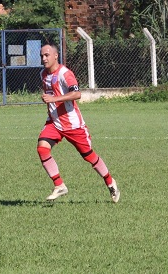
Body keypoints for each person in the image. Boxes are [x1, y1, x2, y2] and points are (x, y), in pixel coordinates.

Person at [37, 44, 120, 203]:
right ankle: (59, 185)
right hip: (54, 122)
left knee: (89, 156)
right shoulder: (43, 74)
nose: (44, 58)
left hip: (72, 124)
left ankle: (110, 181)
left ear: (56, 56)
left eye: (47, 55)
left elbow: (77, 94)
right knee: (42, 148)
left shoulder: (65, 73)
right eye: (42, 56)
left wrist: (54, 99)